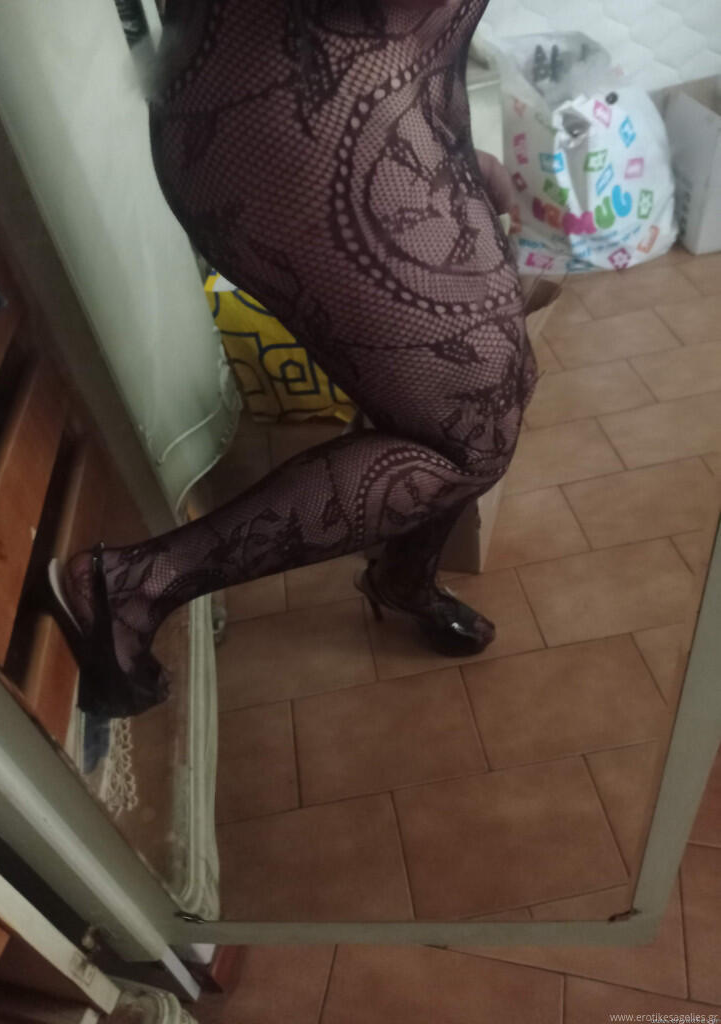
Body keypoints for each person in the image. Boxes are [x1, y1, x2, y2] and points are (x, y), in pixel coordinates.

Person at [49, 0, 537, 717]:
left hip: (389, 99)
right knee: (471, 432)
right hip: (306, 115)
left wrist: (450, 139)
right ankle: (132, 584)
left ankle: (404, 574)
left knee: (499, 383)